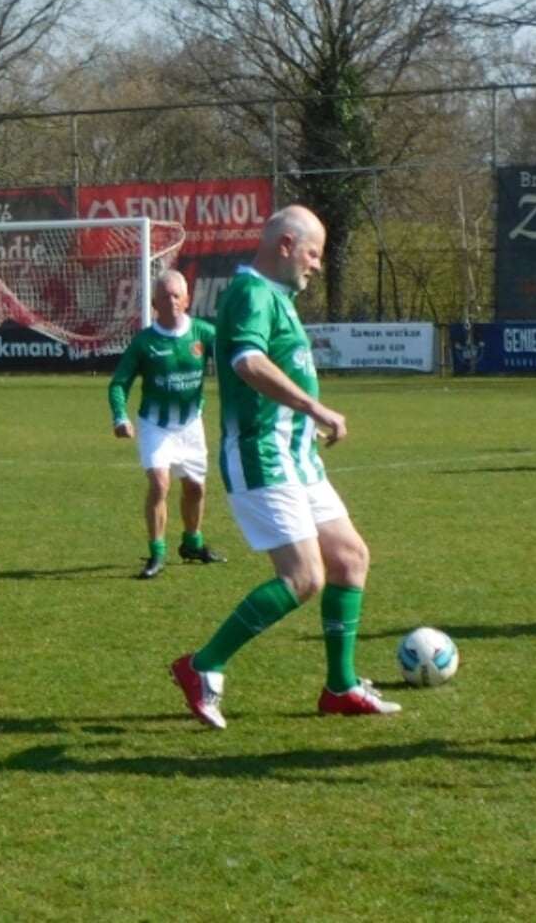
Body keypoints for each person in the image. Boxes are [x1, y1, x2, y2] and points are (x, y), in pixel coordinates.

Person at [169, 205, 400, 728]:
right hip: (260, 455)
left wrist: (303, 424)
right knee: (304, 577)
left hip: (297, 456)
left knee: (349, 558)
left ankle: (339, 687)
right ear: (285, 245)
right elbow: (248, 363)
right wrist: (313, 408)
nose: (317, 265)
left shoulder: (278, 296)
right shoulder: (251, 292)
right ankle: (201, 666)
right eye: (313, 253)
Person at [108, 269, 225, 579]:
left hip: (191, 425)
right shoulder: (144, 342)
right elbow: (119, 384)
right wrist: (120, 416)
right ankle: (156, 553)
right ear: (154, 303)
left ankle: (192, 543)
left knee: (196, 488)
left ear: (186, 300)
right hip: (154, 426)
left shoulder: (203, 333)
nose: (171, 300)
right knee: (160, 483)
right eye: (164, 296)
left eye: (176, 295)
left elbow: (235, 357)